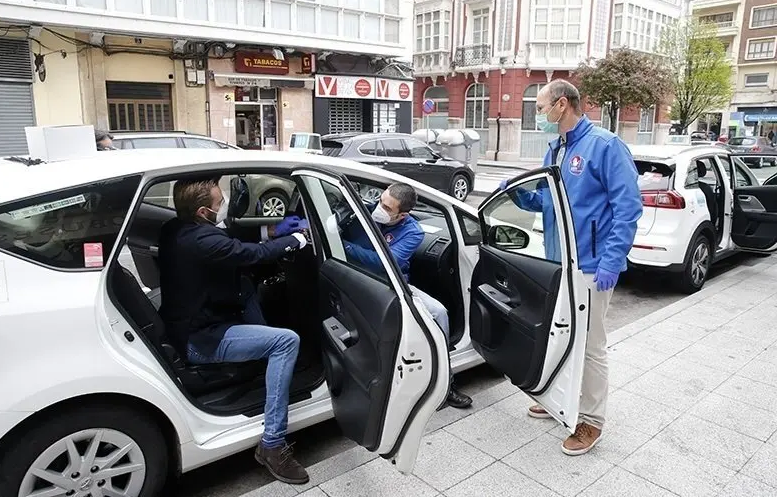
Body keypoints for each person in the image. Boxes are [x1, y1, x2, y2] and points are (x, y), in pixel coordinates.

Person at [500, 80, 642, 456]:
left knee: (592, 345)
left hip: (593, 266)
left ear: (562, 105)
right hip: (558, 263)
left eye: (542, 106)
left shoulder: (606, 146)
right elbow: (549, 205)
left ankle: (591, 421)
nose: (538, 113)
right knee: (562, 335)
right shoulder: (556, 148)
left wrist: (612, 260)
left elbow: (628, 209)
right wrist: (520, 195)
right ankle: (561, 400)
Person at [158, 177, 311, 484]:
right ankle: (272, 443)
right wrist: (295, 241)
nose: (223, 203)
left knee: (248, 288)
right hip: (200, 339)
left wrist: (270, 231)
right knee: (286, 341)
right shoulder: (202, 241)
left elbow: (228, 238)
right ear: (203, 211)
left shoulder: (176, 229)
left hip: (193, 318)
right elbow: (249, 255)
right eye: (219, 202)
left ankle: (265, 367)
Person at [342, 182, 473, 409]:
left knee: (439, 313)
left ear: (402, 214)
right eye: (381, 201)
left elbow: (384, 264)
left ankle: (446, 384)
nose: (379, 208)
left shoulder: (413, 231)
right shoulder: (363, 211)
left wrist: (344, 247)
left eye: (388, 208)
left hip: (392, 285)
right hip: (356, 280)